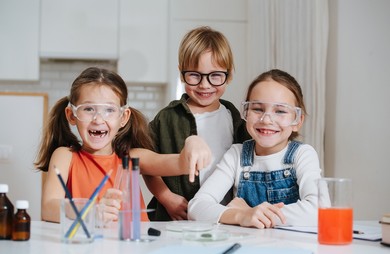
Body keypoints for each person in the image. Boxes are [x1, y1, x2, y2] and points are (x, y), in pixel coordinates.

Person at [35, 66, 211, 223]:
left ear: (123, 118)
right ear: (72, 115)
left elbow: (180, 163)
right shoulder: (65, 156)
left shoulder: (132, 158)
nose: (98, 119)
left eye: (109, 110)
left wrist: (192, 141)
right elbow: (49, 208)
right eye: (88, 109)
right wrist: (91, 212)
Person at [188, 69, 322, 228]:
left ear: (297, 121)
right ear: (246, 112)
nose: (266, 120)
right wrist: (241, 215)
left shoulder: (303, 155)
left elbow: (319, 210)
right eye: (257, 109)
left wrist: (253, 213)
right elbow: (196, 207)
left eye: (280, 111)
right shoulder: (236, 155)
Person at [146, 26, 250, 221]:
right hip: (176, 219)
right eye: (194, 75)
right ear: (181, 73)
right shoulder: (167, 118)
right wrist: (166, 197)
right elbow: (146, 164)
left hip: (222, 219)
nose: (205, 84)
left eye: (216, 75)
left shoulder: (236, 119)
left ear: (229, 74)